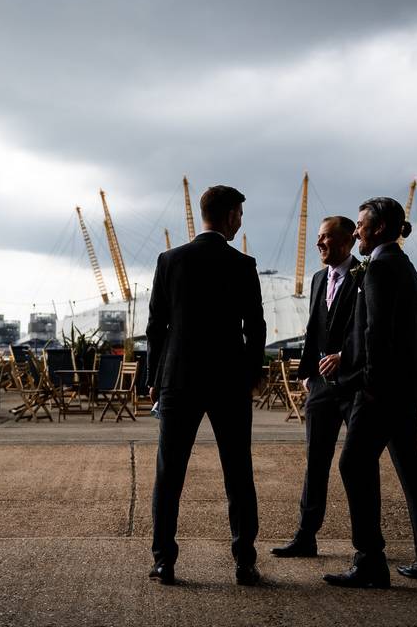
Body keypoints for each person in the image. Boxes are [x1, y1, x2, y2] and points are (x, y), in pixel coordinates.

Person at [146, 184, 266, 586]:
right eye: (240, 216)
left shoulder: (170, 260)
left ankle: (164, 560)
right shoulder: (243, 265)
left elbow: (156, 328)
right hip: (230, 382)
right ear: (231, 215)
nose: (241, 222)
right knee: (238, 471)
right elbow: (257, 329)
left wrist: (153, 379)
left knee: (169, 474)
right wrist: (250, 375)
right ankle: (244, 560)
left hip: (179, 380)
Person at [324, 197, 417, 588]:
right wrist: (348, 355)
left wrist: (370, 384)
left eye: (360, 225)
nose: (355, 230)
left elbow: (376, 332)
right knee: (412, 471)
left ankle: (370, 560)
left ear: (377, 228)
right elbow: (405, 333)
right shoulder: (407, 269)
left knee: (353, 464)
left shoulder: (377, 269)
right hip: (405, 389)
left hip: (380, 391)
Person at [270, 216, 358, 558]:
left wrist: (345, 358)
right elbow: (313, 329)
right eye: (318, 237)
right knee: (315, 462)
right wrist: (308, 375)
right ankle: (306, 536)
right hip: (321, 386)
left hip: (353, 386)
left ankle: (367, 543)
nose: (319, 244)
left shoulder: (365, 275)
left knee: (358, 464)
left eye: (325, 238)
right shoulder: (319, 278)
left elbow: (367, 330)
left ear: (346, 240)